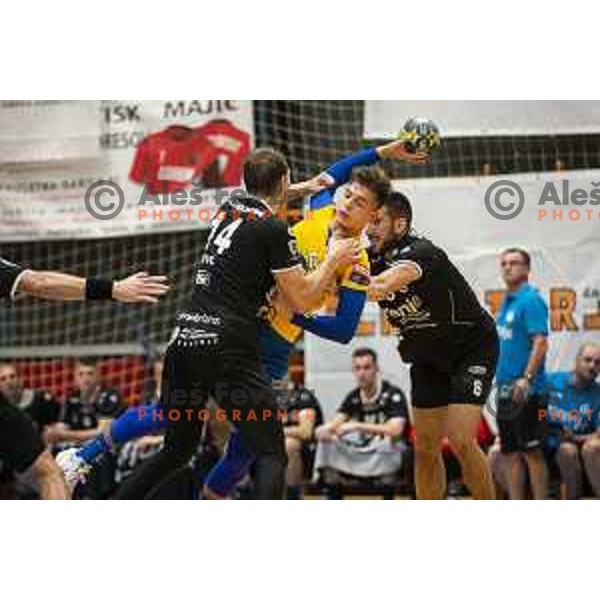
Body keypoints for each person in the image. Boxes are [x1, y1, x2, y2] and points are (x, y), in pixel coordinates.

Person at [57, 139, 424, 498]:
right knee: (248, 442)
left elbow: (344, 330)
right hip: (234, 339)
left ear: (371, 215)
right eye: (347, 195)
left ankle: (204, 497)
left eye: (358, 203)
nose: (347, 204)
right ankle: (87, 458)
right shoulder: (320, 207)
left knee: (238, 447)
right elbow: (336, 174)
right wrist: (385, 151)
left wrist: (297, 317)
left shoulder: (356, 263)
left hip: (265, 348)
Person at [110, 147, 364, 500]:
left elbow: (268, 196)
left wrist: (302, 188)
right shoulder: (275, 230)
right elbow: (303, 299)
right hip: (226, 346)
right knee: (273, 450)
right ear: (283, 180)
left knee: (177, 450)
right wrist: (334, 258)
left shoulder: (227, 207)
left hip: (184, 337)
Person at [0, 257, 169, 499]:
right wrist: (115, 289)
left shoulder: (109, 394)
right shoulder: (71, 399)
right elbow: (38, 282)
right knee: (49, 471)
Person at [367, 191, 499, 500]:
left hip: (471, 348)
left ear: (399, 225)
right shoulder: (370, 257)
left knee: (461, 439)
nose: (368, 229)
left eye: (376, 221)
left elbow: (381, 287)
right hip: (426, 354)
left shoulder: (421, 252)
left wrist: (338, 274)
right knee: (424, 447)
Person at [314, 348, 410, 499]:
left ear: (376, 369)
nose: (362, 373)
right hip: (362, 450)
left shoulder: (392, 393)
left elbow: (396, 430)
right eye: (357, 368)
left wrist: (356, 425)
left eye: (366, 367)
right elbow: (334, 424)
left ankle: (387, 492)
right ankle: (332, 492)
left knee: (388, 443)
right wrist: (323, 431)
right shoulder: (353, 397)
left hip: (384, 452)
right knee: (327, 442)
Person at [495, 248, 549, 499]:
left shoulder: (531, 300)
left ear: (527, 269)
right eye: (504, 263)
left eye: (514, 263)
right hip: (505, 389)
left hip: (528, 390)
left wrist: (526, 379)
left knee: (531, 452)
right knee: (509, 452)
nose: (507, 267)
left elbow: (540, 342)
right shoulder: (507, 301)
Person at [545, 342, 600, 498]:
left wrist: (575, 437)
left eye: (597, 363)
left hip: (575, 448)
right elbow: (525, 405)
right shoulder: (551, 381)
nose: (592, 366)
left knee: (570, 450)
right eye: (587, 360)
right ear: (576, 360)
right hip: (544, 444)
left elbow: (598, 434)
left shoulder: (598, 394)